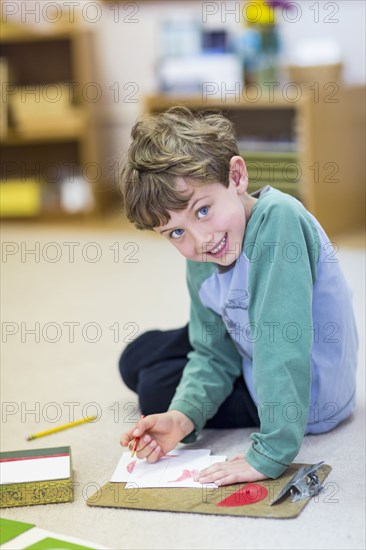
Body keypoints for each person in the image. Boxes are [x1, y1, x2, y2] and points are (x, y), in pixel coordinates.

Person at [118, 106, 358, 486]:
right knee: (136, 357)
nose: (201, 240)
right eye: (175, 233)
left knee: (153, 387)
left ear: (237, 175)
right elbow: (212, 350)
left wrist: (270, 454)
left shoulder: (279, 221)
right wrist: (181, 417)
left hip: (307, 395)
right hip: (249, 341)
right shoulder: (205, 249)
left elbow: (281, 346)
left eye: (203, 210)